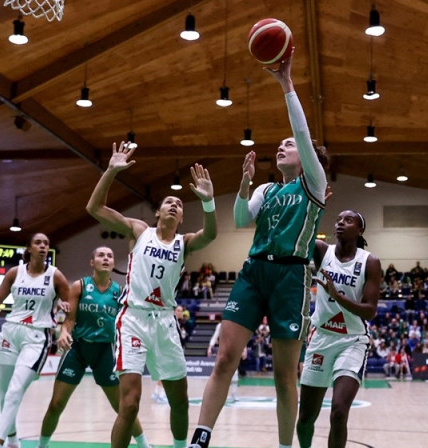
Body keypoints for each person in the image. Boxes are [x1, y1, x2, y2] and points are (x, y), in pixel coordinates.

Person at [187, 51, 328, 448]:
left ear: (306, 157)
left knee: (285, 376)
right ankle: (201, 437)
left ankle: (285, 446)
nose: (283, 146)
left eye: (290, 144)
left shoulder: (312, 184)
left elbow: (301, 133)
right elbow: (241, 221)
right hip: (254, 272)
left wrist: (286, 84)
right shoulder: (268, 189)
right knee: (224, 358)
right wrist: (245, 184)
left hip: (291, 276)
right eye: (280, 144)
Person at [87, 142, 217, 448]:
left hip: (164, 324)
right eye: (169, 202)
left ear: (182, 217)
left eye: (179, 204)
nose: (174, 205)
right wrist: (111, 171)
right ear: (157, 211)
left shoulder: (184, 242)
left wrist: (209, 203)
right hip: (132, 320)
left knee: (181, 401)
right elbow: (93, 209)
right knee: (129, 404)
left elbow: (210, 235)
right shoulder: (139, 230)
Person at [37, 246, 151, 448]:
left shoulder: (120, 292)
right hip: (78, 349)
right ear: (92, 262)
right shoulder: (79, 286)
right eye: (100, 255)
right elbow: (69, 320)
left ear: (114, 264)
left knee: (123, 408)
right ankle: (41, 445)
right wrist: (64, 332)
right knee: (56, 404)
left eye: (110, 256)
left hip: (106, 351)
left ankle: (144, 445)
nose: (105, 258)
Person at [296, 210, 381, 448]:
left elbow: (370, 310)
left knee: (339, 412)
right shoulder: (323, 251)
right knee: (305, 419)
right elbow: (303, 228)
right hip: (321, 338)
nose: (341, 223)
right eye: (338, 220)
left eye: (348, 220)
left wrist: (338, 297)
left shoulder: (370, 262)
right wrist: (314, 201)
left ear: (360, 230)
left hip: (352, 341)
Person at [0, 233, 71, 448]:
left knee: (15, 390)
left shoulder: (55, 276)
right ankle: (13, 440)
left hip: (36, 336)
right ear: (29, 248)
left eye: (46, 243)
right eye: (38, 243)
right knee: (4, 395)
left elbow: (71, 306)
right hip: (10, 333)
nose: (43, 246)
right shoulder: (15, 273)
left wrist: (63, 314)